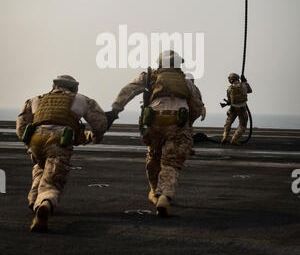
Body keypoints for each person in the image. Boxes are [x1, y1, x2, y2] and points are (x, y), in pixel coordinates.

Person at [106, 50, 204, 217]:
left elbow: (128, 90)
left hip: (154, 123)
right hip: (177, 124)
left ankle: (154, 192)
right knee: (170, 164)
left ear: (160, 62)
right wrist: (188, 125)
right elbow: (196, 106)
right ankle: (165, 196)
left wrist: (115, 111)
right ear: (178, 64)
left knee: (153, 156)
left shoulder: (150, 76)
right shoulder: (187, 83)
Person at [16, 75, 107, 232]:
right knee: (53, 181)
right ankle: (45, 203)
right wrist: (96, 136)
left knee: (40, 166)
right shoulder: (82, 99)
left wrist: (30, 144)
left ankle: (33, 199)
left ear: (55, 85)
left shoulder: (36, 99)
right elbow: (100, 124)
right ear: (74, 87)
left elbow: (21, 128)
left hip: (36, 140)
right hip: (59, 142)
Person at [221, 73, 252, 145]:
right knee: (242, 125)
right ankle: (234, 139)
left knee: (228, 122)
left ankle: (225, 136)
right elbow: (250, 91)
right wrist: (245, 82)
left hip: (233, 108)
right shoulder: (244, 85)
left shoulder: (229, 88)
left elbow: (229, 99)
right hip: (242, 108)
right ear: (238, 78)